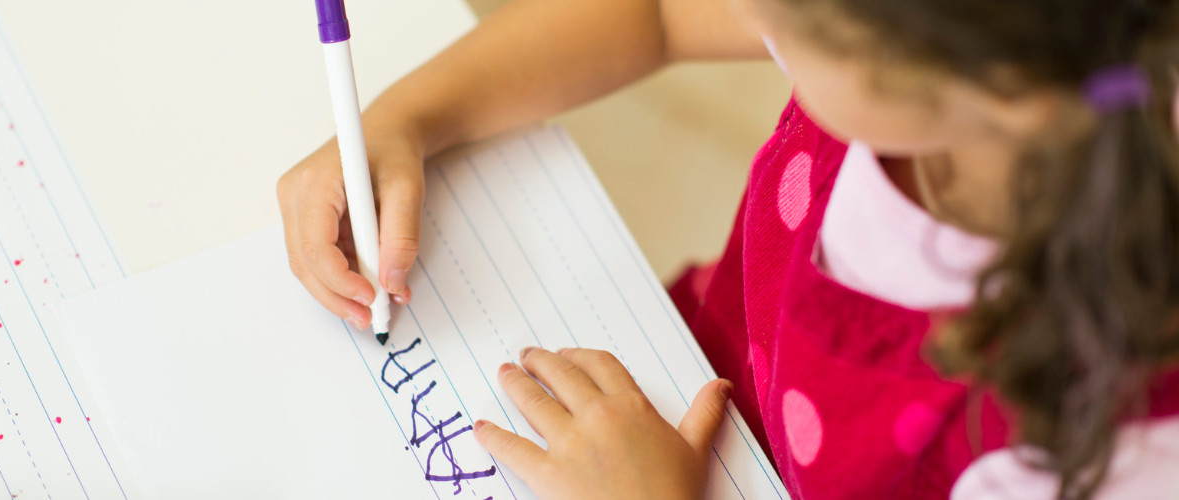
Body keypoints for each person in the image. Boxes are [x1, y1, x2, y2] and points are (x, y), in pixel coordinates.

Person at [276, 0, 1179, 498]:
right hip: (683, 358)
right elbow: (658, 15)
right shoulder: (971, 55)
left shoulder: (1110, 452)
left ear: (996, 92)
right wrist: (407, 120)